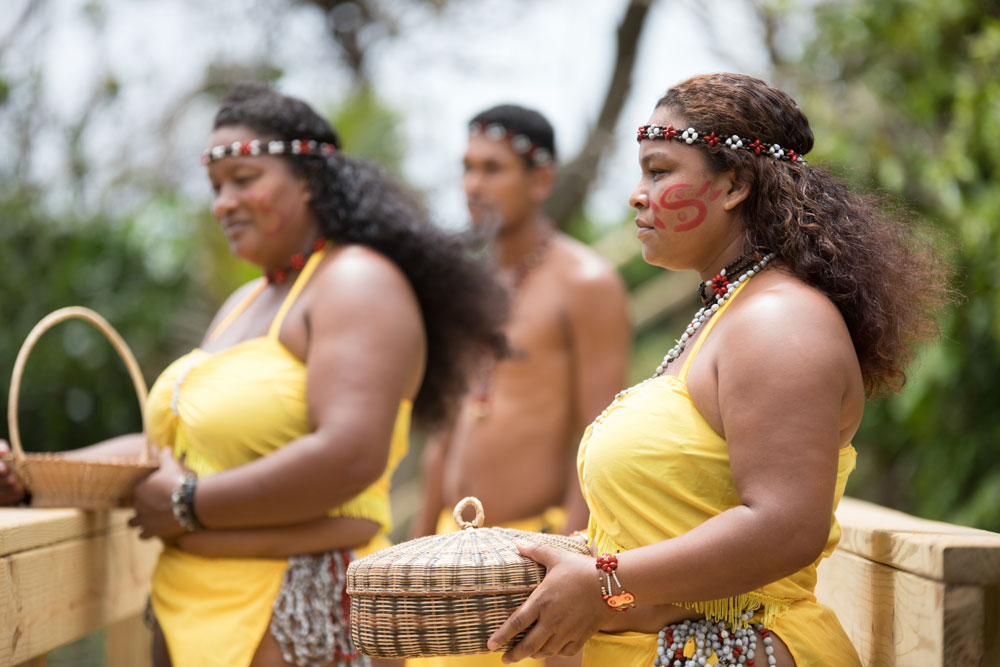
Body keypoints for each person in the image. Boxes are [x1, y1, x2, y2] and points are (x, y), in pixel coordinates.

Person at [0, 82, 507, 667]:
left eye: (244, 179)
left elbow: (350, 453)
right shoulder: (244, 301)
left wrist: (188, 504)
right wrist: (31, 475)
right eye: (216, 187)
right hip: (191, 606)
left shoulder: (356, 282)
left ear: (309, 179)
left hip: (296, 611)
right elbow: (170, 449)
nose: (223, 203)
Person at [483, 73, 952, 667]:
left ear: (734, 185)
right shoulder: (730, 312)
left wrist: (604, 583)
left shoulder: (780, 321)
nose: (637, 196)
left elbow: (784, 525)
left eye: (659, 171)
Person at [408, 104, 631, 667]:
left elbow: (599, 434)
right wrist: (414, 554)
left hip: (531, 561)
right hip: (451, 555)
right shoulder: (469, 285)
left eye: (492, 168)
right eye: (467, 167)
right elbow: (446, 432)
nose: (472, 185)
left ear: (541, 180)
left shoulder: (586, 282)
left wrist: (569, 565)